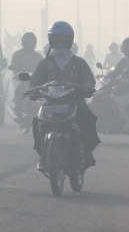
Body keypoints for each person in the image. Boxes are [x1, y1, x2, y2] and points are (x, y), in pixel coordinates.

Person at [30, 21, 100, 169]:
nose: (60, 43)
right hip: (50, 104)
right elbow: (35, 81)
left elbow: (88, 80)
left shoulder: (79, 62)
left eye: (63, 40)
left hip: (75, 103)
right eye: (56, 40)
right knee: (37, 123)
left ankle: (86, 153)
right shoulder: (45, 63)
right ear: (51, 41)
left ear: (69, 41)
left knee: (88, 120)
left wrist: (86, 89)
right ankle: (43, 155)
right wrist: (33, 90)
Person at [104, 37, 129, 128]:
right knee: (108, 97)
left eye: (126, 47)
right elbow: (115, 72)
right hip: (123, 90)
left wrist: (122, 82)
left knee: (119, 102)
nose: (124, 49)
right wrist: (104, 77)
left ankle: (128, 124)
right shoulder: (124, 60)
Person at [10, 32, 43, 116]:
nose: (31, 44)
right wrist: (18, 74)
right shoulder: (17, 55)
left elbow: (43, 67)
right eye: (29, 42)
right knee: (19, 87)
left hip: (34, 80)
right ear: (24, 42)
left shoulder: (38, 56)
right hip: (21, 79)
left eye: (32, 42)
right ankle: (18, 109)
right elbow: (14, 68)